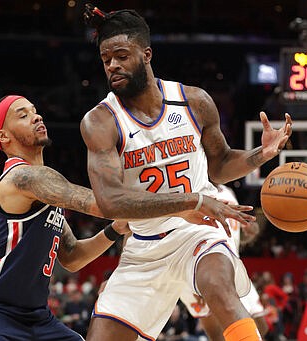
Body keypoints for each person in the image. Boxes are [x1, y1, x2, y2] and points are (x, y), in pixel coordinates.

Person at [81, 4, 292, 341]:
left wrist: (259, 156)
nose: (113, 65)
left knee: (219, 287)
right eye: (106, 60)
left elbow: (220, 165)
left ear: (146, 54)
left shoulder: (194, 102)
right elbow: (110, 202)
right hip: (144, 248)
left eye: (121, 55)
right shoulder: (100, 121)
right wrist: (192, 201)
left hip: (197, 236)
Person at [0, 95, 134, 341]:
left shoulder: (48, 188)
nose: (37, 116)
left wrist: (115, 230)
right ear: (3, 136)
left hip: (39, 319)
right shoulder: (21, 178)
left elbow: (72, 257)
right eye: (23, 115)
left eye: (35, 111)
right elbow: (103, 204)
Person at [179, 184, 269, 340]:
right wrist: (197, 281)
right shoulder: (192, 186)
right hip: (201, 265)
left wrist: (250, 232)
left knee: (261, 325)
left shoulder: (229, 193)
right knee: (217, 333)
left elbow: (235, 234)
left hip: (231, 265)